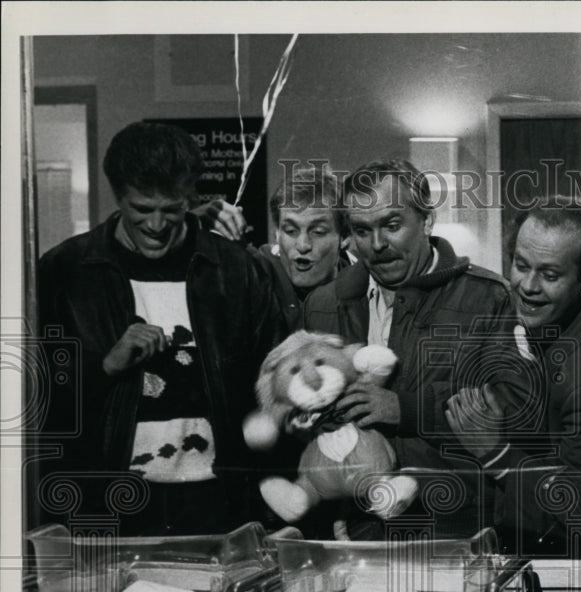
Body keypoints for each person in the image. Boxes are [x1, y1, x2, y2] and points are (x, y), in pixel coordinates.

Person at [37, 121, 288, 536]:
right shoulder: (64, 270)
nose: (156, 225)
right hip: (109, 503)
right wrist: (104, 367)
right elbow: (39, 404)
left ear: (190, 198)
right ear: (118, 198)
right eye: (142, 210)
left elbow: (273, 380)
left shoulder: (237, 270)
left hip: (219, 501)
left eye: (171, 210)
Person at [304, 158, 515, 539]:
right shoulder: (323, 305)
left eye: (392, 225)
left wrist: (403, 409)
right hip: (355, 531)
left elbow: (507, 411)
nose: (378, 244)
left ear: (428, 220)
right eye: (362, 230)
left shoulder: (487, 298)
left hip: (455, 529)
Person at [444, 196, 581, 557]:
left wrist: (495, 453)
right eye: (521, 265)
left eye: (550, 274)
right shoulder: (539, 322)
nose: (528, 285)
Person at [196, 166, 353, 330]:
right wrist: (191, 221)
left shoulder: (365, 285)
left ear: (345, 237)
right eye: (290, 231)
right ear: (276, 233)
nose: (302, 245)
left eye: (318, 232)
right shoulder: (255, 271)